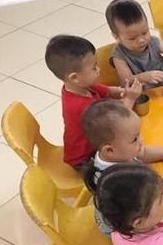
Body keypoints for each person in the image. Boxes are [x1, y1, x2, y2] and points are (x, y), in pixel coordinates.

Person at [80, 100, 163, 234]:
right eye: (134, 139)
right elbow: (159, 193)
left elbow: (145, 152)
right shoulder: (121, 180)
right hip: (126, 230)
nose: (141, 140)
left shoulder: (115, 154)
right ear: (109, 150)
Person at [44, 35, 141, 170]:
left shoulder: (82, 86)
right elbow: (117, 124)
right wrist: (130, 99)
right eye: (94, 67)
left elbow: (109, 91)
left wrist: (123, 91)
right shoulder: (80, 106)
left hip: (99, 141)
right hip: (85, 158)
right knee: (134, 156)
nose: (98, 69)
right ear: (74, 77)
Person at [105, 0, 163, 89]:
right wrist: (143, 77)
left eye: (145, 32)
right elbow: (125, 81)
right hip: (142, 93)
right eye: (132, 38)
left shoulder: (153, 41)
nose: (141, 40)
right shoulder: (119, 55)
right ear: (116, 37)